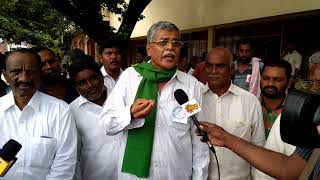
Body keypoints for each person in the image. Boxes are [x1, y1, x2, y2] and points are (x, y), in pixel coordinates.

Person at [100, 21, 209, 180]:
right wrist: (129, 114)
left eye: (176, 43)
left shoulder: (190, 85)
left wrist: (199, 176)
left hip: (177, 175)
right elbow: (106, 124)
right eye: (163, 42)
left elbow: (198, 135)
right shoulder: (130, 77)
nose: (170, 47)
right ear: (149, 49)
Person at [0, 49, 77, 180]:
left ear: (40, 74)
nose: (24, 78)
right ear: (5, 76)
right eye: (16, 72)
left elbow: (65, 163)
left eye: (31, 72)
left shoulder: (60, 110)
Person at [201, 47, 265, 180]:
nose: (213, 71)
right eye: (209, 66)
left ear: (231, 69)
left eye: (220, 66)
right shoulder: (194, 99)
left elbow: (259, 150)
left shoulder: (250, 102)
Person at [68, 55, 119, 180]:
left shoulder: (120, 98)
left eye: (93, 78)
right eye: (82, 82)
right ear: (76, 87)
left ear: (101, 76)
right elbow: (73, 155)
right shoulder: (71, 112)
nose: (90, 85)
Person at [260, 59, 292, 137]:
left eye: (277, 80)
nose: (270, 83)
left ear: (289, 83)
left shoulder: (293, 110)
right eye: (265, 78)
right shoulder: (250, 104)